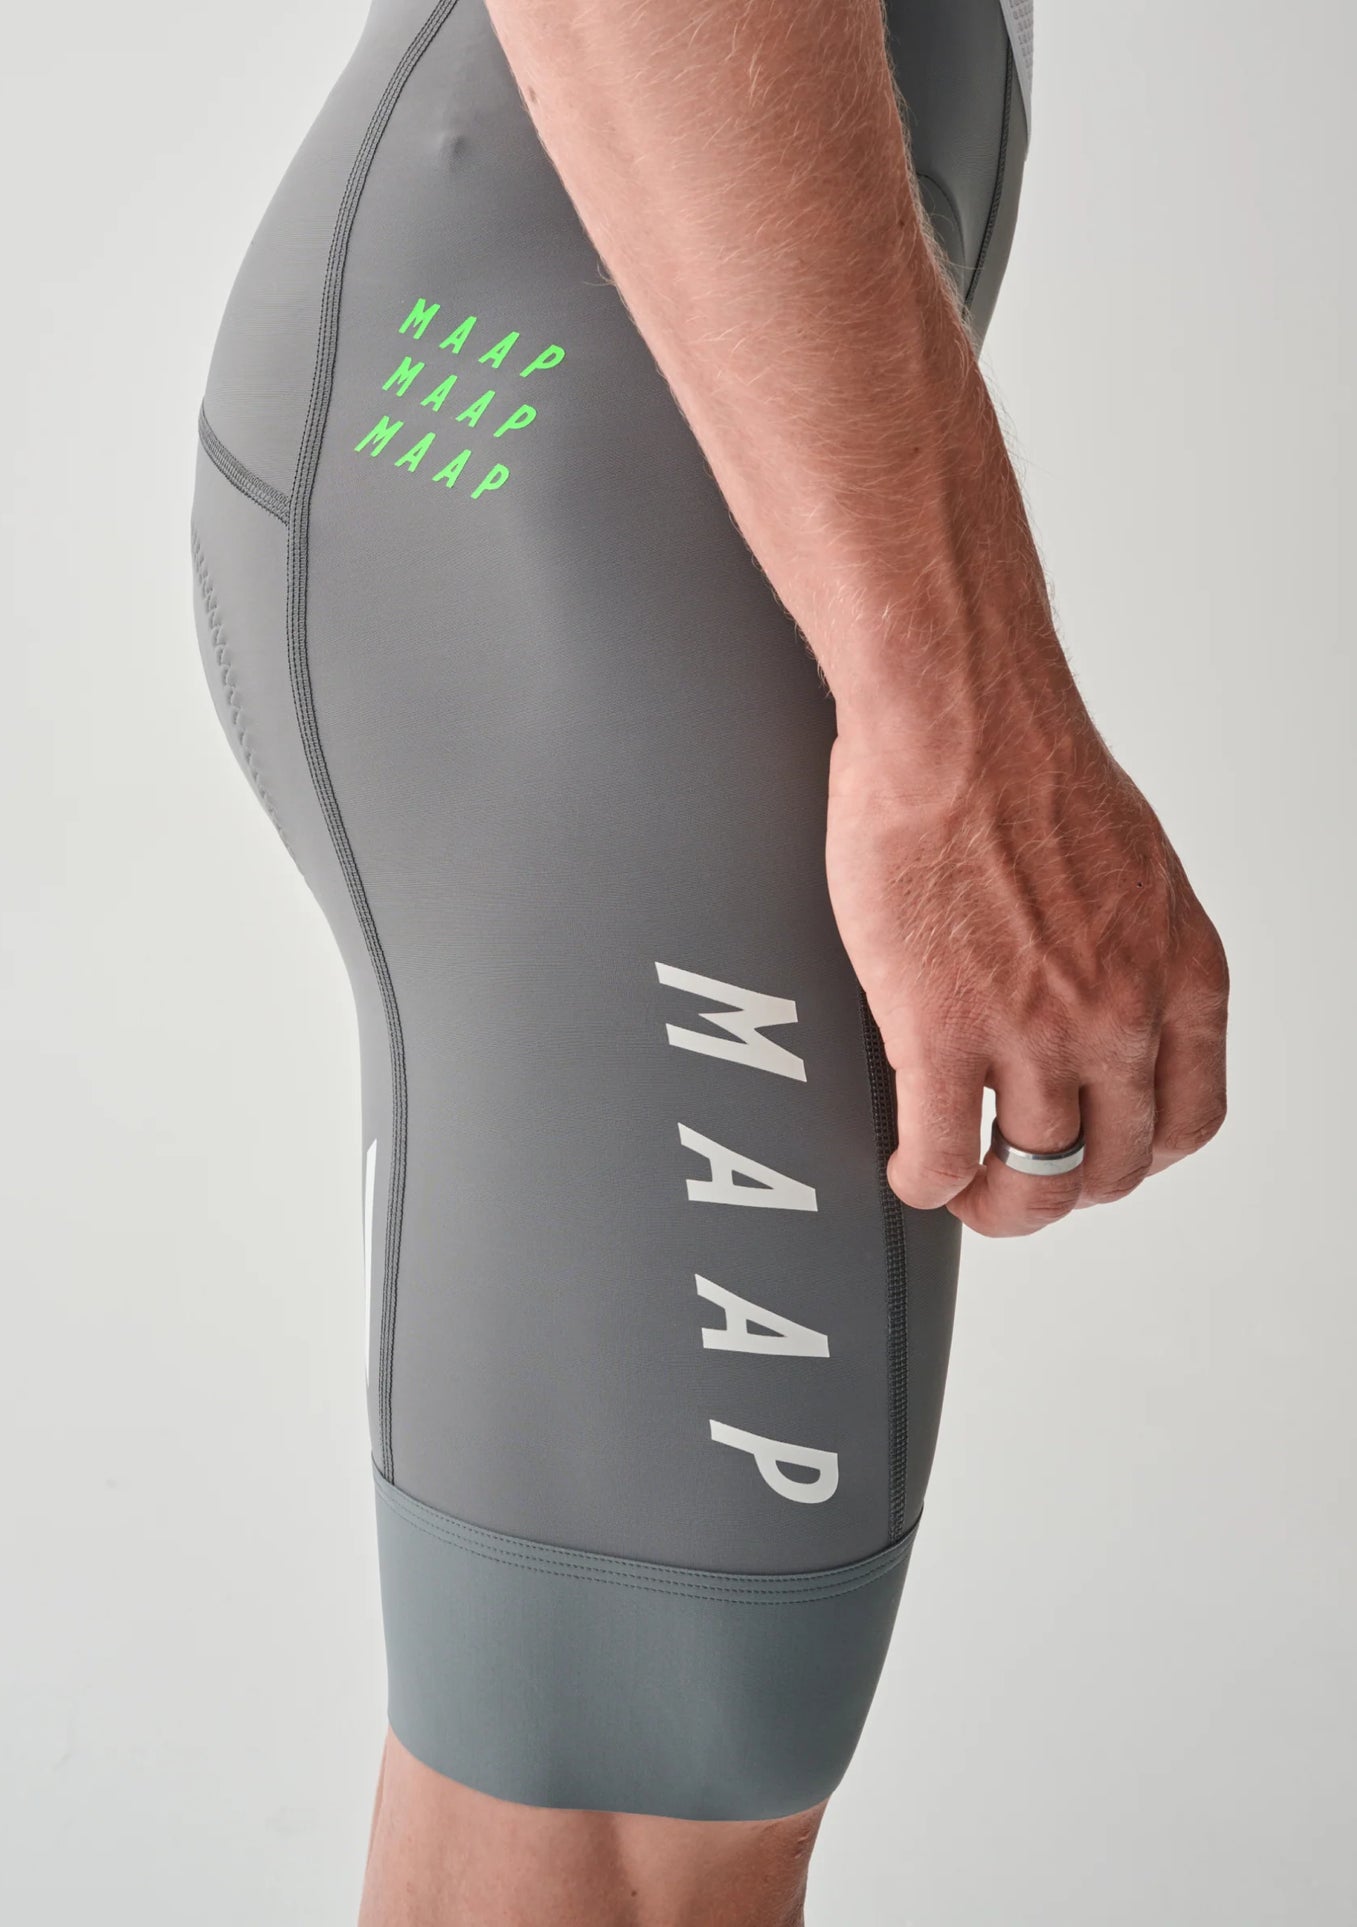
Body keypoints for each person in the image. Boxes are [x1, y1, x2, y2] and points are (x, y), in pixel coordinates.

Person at [188, 0, 1229, 1920]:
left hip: (636, 461)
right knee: (640, 1771)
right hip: (577, 477)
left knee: (666, 1757)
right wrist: (958, 726)